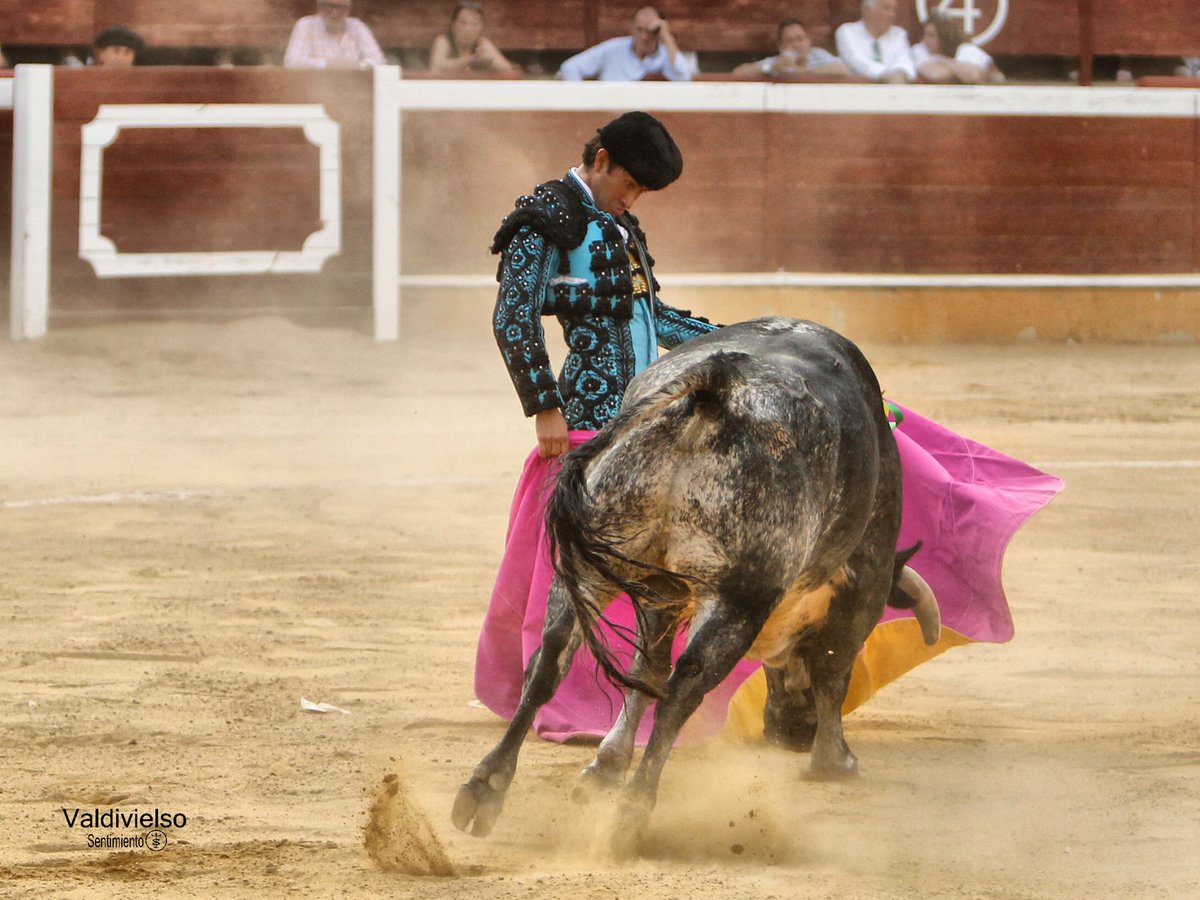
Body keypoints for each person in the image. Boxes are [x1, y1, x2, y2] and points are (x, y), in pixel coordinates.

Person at [474, 113, 1062, 746]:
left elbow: (656, 316)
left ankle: (639, 708)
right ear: (602, 158)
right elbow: (513, 319)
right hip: (590, 423)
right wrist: (544, 407)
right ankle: (570, 703)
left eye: (643, 190)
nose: (634, 197)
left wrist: (759, 355)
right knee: (587, 578)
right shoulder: (545, 219)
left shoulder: (618, 225)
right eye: (633, 183)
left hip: (652, 416)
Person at [559, 6, 692, 82]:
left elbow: (683, 76)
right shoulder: (613, 49)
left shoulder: (665, 55)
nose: (644, 37)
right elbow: (570, 67)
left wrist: (667, 37)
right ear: (632, 28)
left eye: (650, 32)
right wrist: (584, 100)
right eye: (639, 30)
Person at [732, 19, 849, 79]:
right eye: (789, 41)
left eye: (800, 39)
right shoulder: (778, 62)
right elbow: (738, 73)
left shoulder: (818, 55)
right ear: (780, 46)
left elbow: (843, 69)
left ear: (808, 41)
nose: (796, 44)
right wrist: (770, 68)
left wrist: (806, 72)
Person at [283, 0, 386, 69]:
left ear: (348, 9)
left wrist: (358, 66)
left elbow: (380, 61)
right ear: (319, 7)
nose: (334, 13)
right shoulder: (305, 25)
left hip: (353, 89)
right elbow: (291, 62)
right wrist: (328, 64)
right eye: (329, 6)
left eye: (340, 7)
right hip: (314, 89)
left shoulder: (358, 26)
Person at [835, 0, 915, 84]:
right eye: (886, 8)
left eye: (893, 9)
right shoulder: (847, 31)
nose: (891, 14)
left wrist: (900, 74)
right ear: (867, 10)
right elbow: (857, 61)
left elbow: (904, 60)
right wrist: (885, 75)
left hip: (895, 88)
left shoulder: (899, 34)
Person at [911, 12, 1003, 83]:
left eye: (931, 35)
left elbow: (975, 75)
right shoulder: (919, 49)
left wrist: (944, 61)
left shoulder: (965, 49)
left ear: (944, 37)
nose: (926, 40)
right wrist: (962, 72)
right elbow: (935, 75)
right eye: (925, 34)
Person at [429, 1, 517, 75]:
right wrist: (471, 60)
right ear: (453, 25)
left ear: (481, 27)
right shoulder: (443, 41)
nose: (468, 29)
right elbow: (435, 67)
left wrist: (491, 62)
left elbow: (510, 71)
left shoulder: (483, 43)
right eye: (463, 23)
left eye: (474, 24)